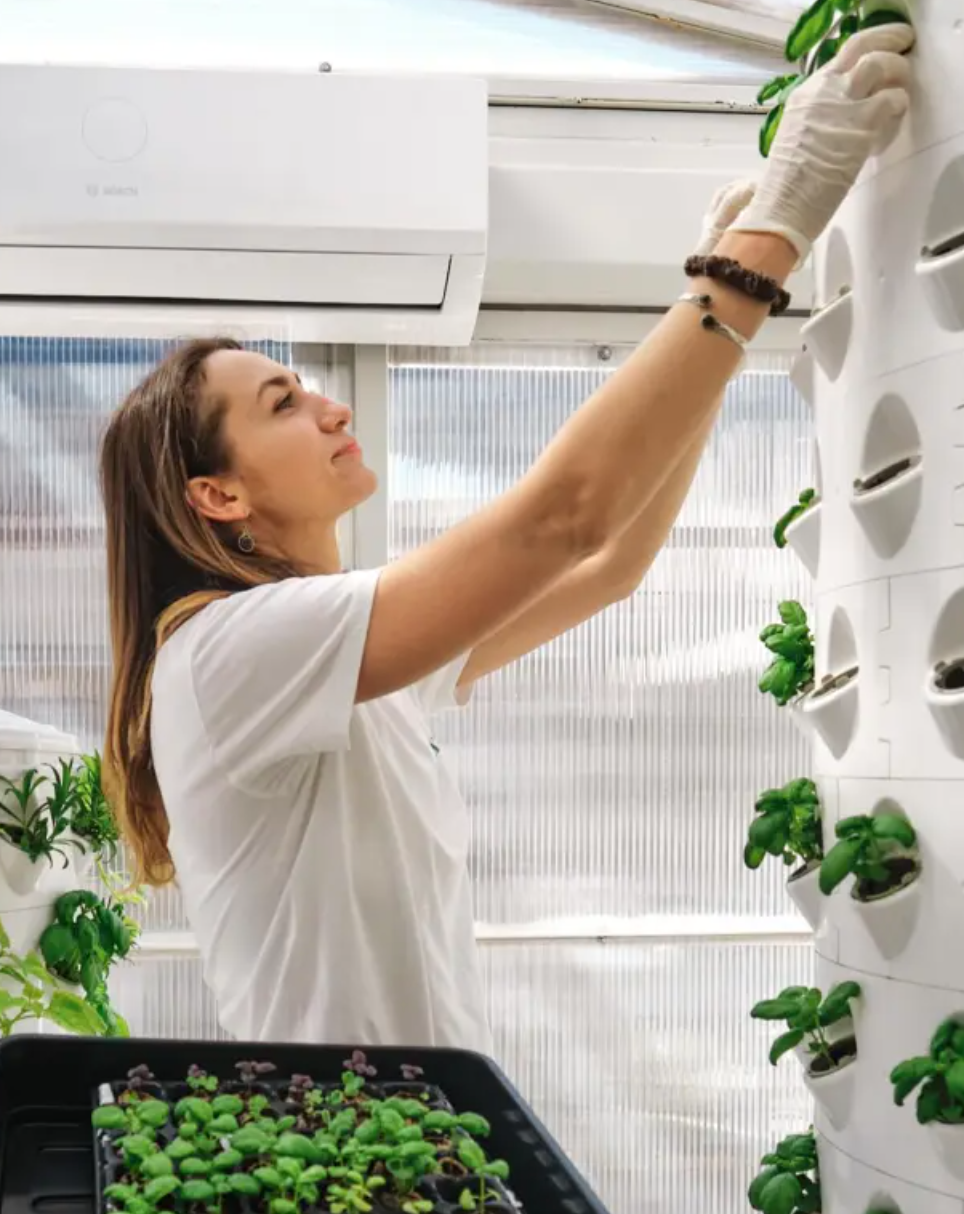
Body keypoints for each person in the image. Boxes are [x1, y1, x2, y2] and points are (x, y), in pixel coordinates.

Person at [100, 25, 914, 1051]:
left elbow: (609, 561)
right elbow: (562, 518)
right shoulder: (229, 652)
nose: (329, 408)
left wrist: (717, 318)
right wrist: (759, 250)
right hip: (342, 1127)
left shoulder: (340, 664)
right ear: (217, 495)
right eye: (283, 404)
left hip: (415, 1117)